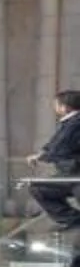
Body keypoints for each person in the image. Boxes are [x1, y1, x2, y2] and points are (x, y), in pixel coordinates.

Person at [33, 89, 80, 232]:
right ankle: (72, 219)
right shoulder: (70, 122)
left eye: (56, 104)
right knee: (39, 188)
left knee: (40, 189)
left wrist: (43, 156)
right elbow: (56, 142)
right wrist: (44, 152)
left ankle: (73, 219)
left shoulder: (75, 122)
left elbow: (61, 146)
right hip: (70, 174)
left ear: (64, 106)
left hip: (74, 174)